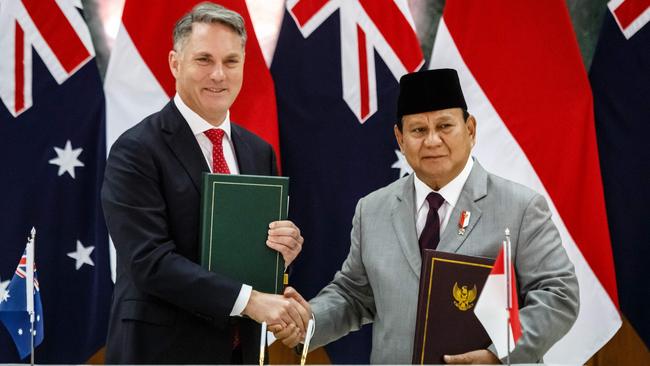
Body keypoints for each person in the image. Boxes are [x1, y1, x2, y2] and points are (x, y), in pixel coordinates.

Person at [273, 69, 579, 364]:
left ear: (470, 129)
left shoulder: (521, 208)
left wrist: (497, 354)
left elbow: (558, 295)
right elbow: (355, 294)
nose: (432, 140)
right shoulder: (373, 209)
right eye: (418, 130)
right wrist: (308, 319)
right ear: (400, 139)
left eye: (445, 126)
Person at [101, 3, 309, 364]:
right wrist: (254, 302)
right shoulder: (135, 150)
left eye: (231, 61)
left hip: (237, 351)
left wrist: (281, 253)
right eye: (203, 60)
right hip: (160, 353)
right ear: (174, 63)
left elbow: (246, 256)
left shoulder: (259, 152)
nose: (218, 75)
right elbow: (150, 262)